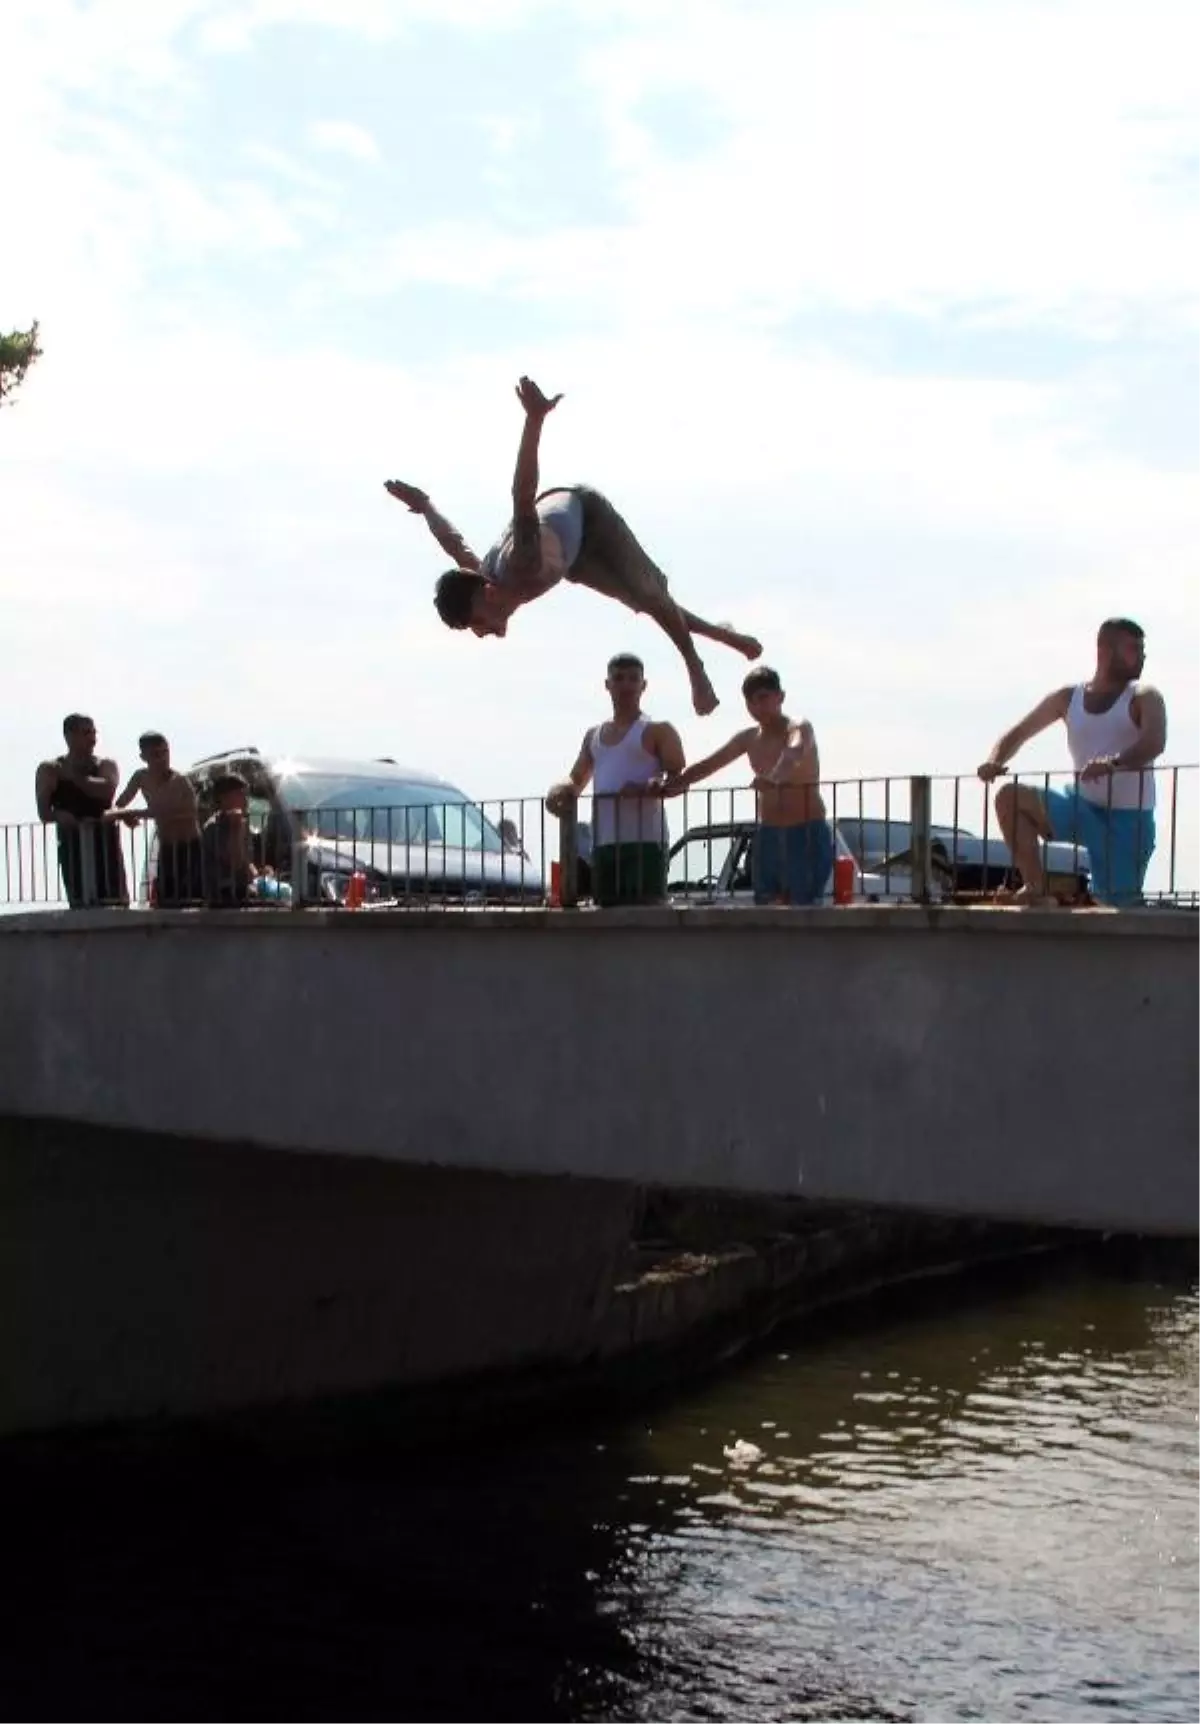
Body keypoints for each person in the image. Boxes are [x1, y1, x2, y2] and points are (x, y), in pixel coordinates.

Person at [384, 377, 763, 717]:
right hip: (572, 558)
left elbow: (522, 495)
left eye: (480, 623)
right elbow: (454, 544)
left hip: (589, 517)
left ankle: (695, 668)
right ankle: (726, 636)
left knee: (650, 593)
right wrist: (426, 507)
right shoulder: (484, 573)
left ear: (489, 593)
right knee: (645, 603)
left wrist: (534, 420)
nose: (485, 633)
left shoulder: (521, 563)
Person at [978, 617, 1166, 907]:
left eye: (1142, 650)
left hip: (1128, 822)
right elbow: (1018, 732)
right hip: (1080, 806)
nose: (1140, 657)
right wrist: (994, 760)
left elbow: (1154, 742)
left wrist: (1113, 763)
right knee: (1009, 798)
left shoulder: (1144, 696)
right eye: (1132, 649)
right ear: (1105, 650)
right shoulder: (1069, 698)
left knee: (1119, 907)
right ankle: (1035, 888)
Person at [659, 666, 834, 905]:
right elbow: (711, 764)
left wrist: (774, 777)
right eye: (750, 701)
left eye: (763, 698)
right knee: (765, 906)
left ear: (780, 697)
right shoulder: (749, 738)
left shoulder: (799, 727)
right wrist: (674, 784)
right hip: (769, 832)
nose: (757, 706)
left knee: (803, 907)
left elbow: (794, 751)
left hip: (804, 831)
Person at [545, 653, 684, 907]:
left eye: (633, 678)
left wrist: (650, 787)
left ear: (644, 685)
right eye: (619, 678)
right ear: (607, 685)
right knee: (605, 914)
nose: (626, 685)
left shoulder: (658, 729)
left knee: (648, 912)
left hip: (646, 842)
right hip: (605, 843)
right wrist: (557, 790)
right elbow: (576, 778)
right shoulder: (593, 735)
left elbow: (679, 778)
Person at [34, 714, 128, 908]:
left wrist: (73, 777)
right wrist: (57, 815)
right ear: (69, 736)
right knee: (79, 902)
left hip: (105, 843)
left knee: (115, 900)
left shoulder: (105, 764)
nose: (93, 738)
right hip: (72, 845)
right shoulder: (50, 769)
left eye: (94, 732)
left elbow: (106, 789)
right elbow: (44, 812)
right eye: (86, 733)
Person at [110, 732, 203, 908]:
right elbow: (120, 803)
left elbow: (158, 811)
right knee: (165, 900)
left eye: (165, 752)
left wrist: (126, 814)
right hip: (167, 847)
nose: (162, 759)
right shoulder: (141, 777)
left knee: (190, 899)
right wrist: (122, 814)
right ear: (143, 757)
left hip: (189, 847)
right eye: (155, 755)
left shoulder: (178, 781)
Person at [201, 772, 258, 908]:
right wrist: (235, 828)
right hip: (222, 894)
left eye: (246, 794)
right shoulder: (213, 827)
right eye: (240, 794)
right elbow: (235, 862)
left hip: (241, 889)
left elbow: (246, 862)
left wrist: (256, 873)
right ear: (224, 798)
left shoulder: (243, 824)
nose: (245, 800)